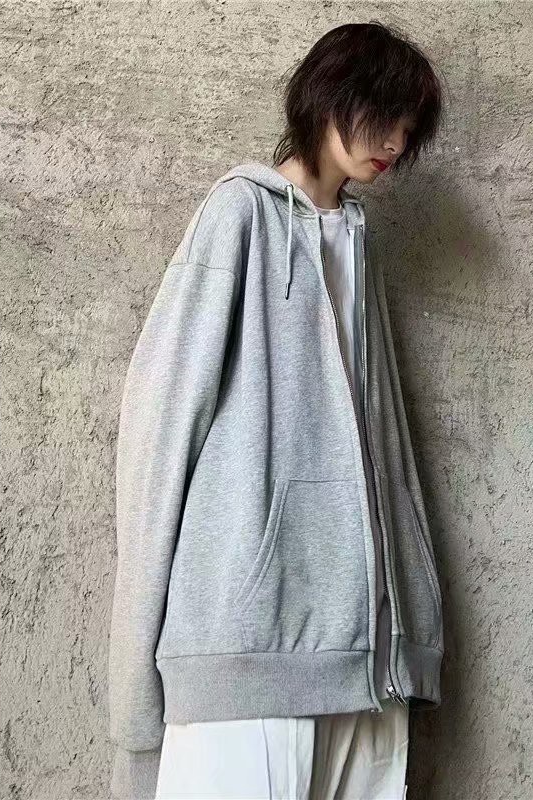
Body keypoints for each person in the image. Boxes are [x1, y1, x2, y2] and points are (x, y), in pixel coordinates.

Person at [108, 20, 445, 800]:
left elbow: (385, 448)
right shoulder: (239, 214)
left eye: (408, 127)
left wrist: (411, 624)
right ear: (329, 97)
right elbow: (163, 418)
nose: (395, 141)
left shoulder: (358, 242)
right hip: (251, 643)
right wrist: (136, 656)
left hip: (367, 658)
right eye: (384, 114)